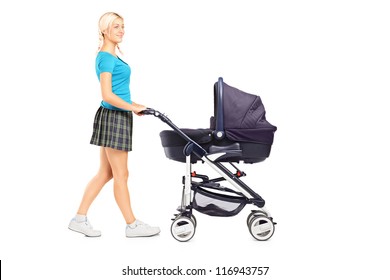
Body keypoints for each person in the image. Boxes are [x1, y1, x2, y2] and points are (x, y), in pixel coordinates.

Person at [68, 12, 160, 238]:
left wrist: (134, 104)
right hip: (114, 117)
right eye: (116, 26)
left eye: (122, 26)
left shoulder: (110, 56)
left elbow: (117, 93)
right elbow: (107, 94)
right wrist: (131, 107)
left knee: (105, 173)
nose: (121, 30)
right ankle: (132, 225)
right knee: (121, 175)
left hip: (117, 115)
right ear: (104, 30)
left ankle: (79, 219)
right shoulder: (106, 57)